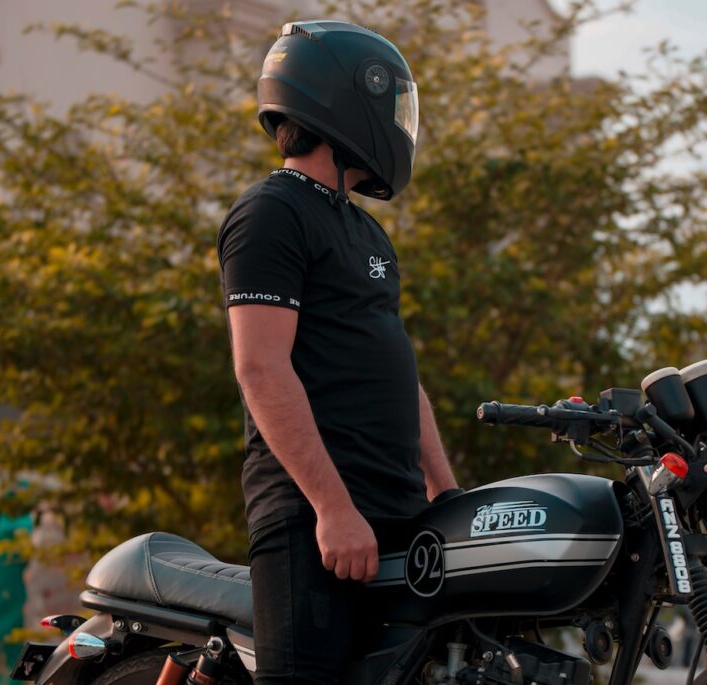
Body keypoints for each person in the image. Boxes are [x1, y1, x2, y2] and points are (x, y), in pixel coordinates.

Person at [216, 20, 458, 685]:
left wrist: (446, 490)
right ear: (348, 101)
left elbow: (397, 372)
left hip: (398, 517)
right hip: (313, 524)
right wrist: (332, 507)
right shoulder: (270, 212)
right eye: (392, 104)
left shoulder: (365, 231)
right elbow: (260, 367)